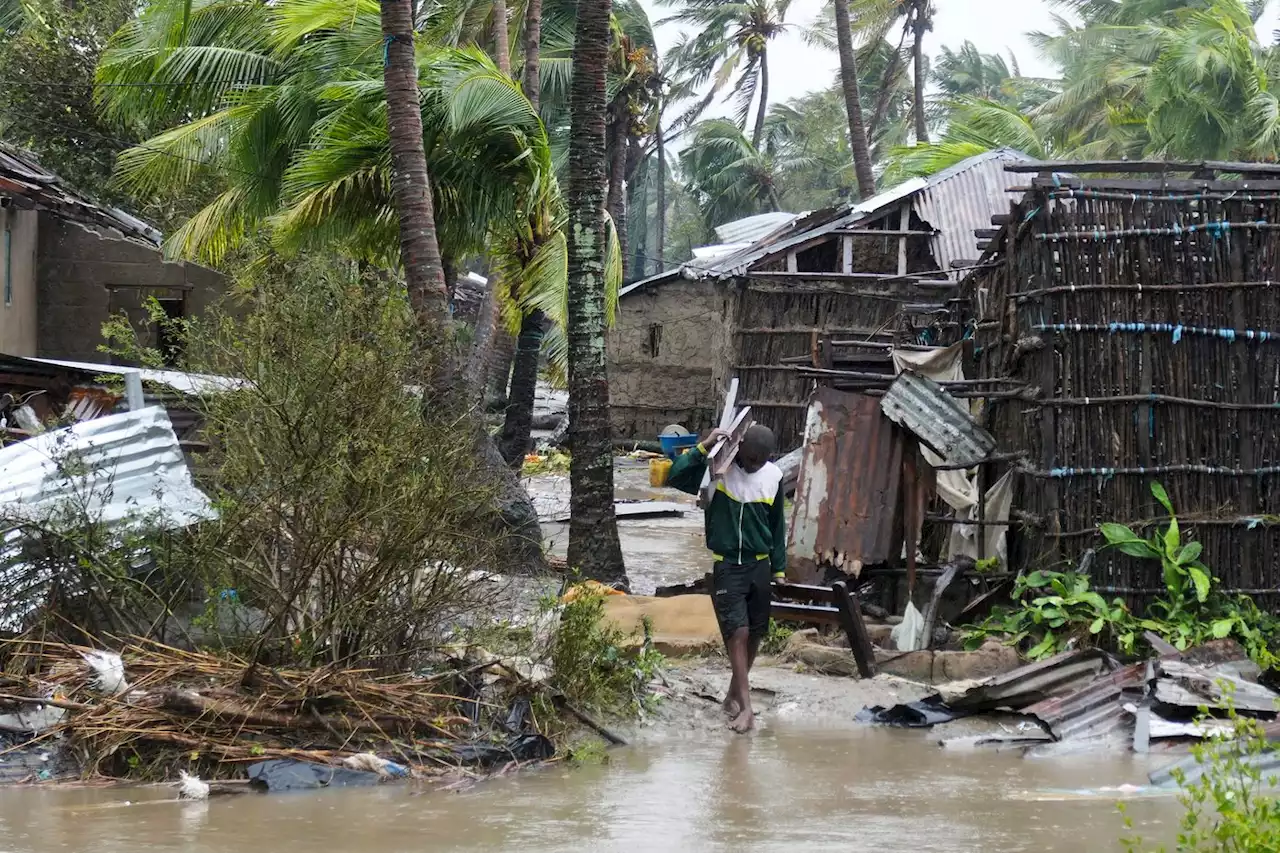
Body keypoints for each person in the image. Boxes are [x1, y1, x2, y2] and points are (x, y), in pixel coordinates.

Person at [666, 423, 786, 733]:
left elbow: (777, 526)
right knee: (738, 632)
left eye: (761, 459)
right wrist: (704, 446)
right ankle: (747, 709)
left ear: (769, 457)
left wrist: (779, 569)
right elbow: (675, 475)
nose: (754, 464)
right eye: (751, 457)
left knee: (756, 633)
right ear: (740, 448)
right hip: (728, 565)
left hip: (760, 565)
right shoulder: (717, 470)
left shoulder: (773, 477)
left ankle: (733, 696)